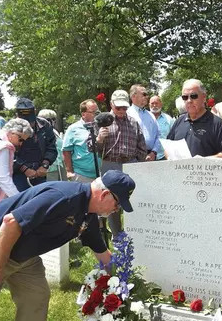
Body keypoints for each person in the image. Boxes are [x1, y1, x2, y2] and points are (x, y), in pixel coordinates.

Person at [0, 170, 133, 321]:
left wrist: (125, 283)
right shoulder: (63, 197)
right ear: (105, 194)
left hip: (23, 256)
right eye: (117, 204)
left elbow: (104, 255)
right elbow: (10, 223)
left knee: (36, 298)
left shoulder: (88, 214)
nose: (117, 210)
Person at [96, 90, 147, 238]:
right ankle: (117, 235)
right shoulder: (102, 121)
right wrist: (99, 139)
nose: (122, 111)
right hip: (110, 163)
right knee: (111, 202)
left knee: (132, 199)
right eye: (118, 108)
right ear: (111, 104)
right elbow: (90, 147)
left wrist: (138, 162)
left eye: (125, 108)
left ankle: (134, 233)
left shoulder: (133, 122)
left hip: (130, 164)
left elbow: (141, 146)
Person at [167, 79, 222, 158]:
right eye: (185, 97)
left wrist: (202, 162)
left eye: (194, 96)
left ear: (204, 97)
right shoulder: (179, 122)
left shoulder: (217, 124)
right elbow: (167, 147)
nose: (189, 100)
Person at [12, 98, 58, 191]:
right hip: (19, 173)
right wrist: (24, 169)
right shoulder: (10, 128)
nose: (28, 124)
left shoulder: (45, 125)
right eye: (25, 121)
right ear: (17, 115)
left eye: (30, 121)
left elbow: (51, 147)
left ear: (35, 112)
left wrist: (45, 165)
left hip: (39, 172)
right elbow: (9, 154)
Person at [62, 99, 101, 183]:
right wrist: (69, 171)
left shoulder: (101, 127)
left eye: (97, 112)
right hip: (81, 175)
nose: (96, 115)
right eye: (93, 112)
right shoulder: (73, 129)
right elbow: (66, 150)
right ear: (83, 114)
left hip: (101, 175)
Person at [127, 84, 162, 161]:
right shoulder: (127, 114)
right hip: (133, 158)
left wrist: (154, 152)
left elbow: (158, 135)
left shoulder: (150, 115)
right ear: (133, 96)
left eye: (146, 94)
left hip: (151, 157)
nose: (146, 96)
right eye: (144, 94)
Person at [38, 109, 66, 182]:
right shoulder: (41, 132)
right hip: (50, 168)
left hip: (59, 165)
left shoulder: (54, 131)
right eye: (49, 119)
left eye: (54, 119)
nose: (53, 121)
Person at [149, 95, 174, 160]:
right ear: (149, 105)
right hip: (148, 156)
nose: (154, 105)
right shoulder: (144, 119)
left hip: (165, 156)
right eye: (152, 103)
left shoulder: (169, 119)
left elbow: (174, 137)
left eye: (156, 103)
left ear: (161, 104)